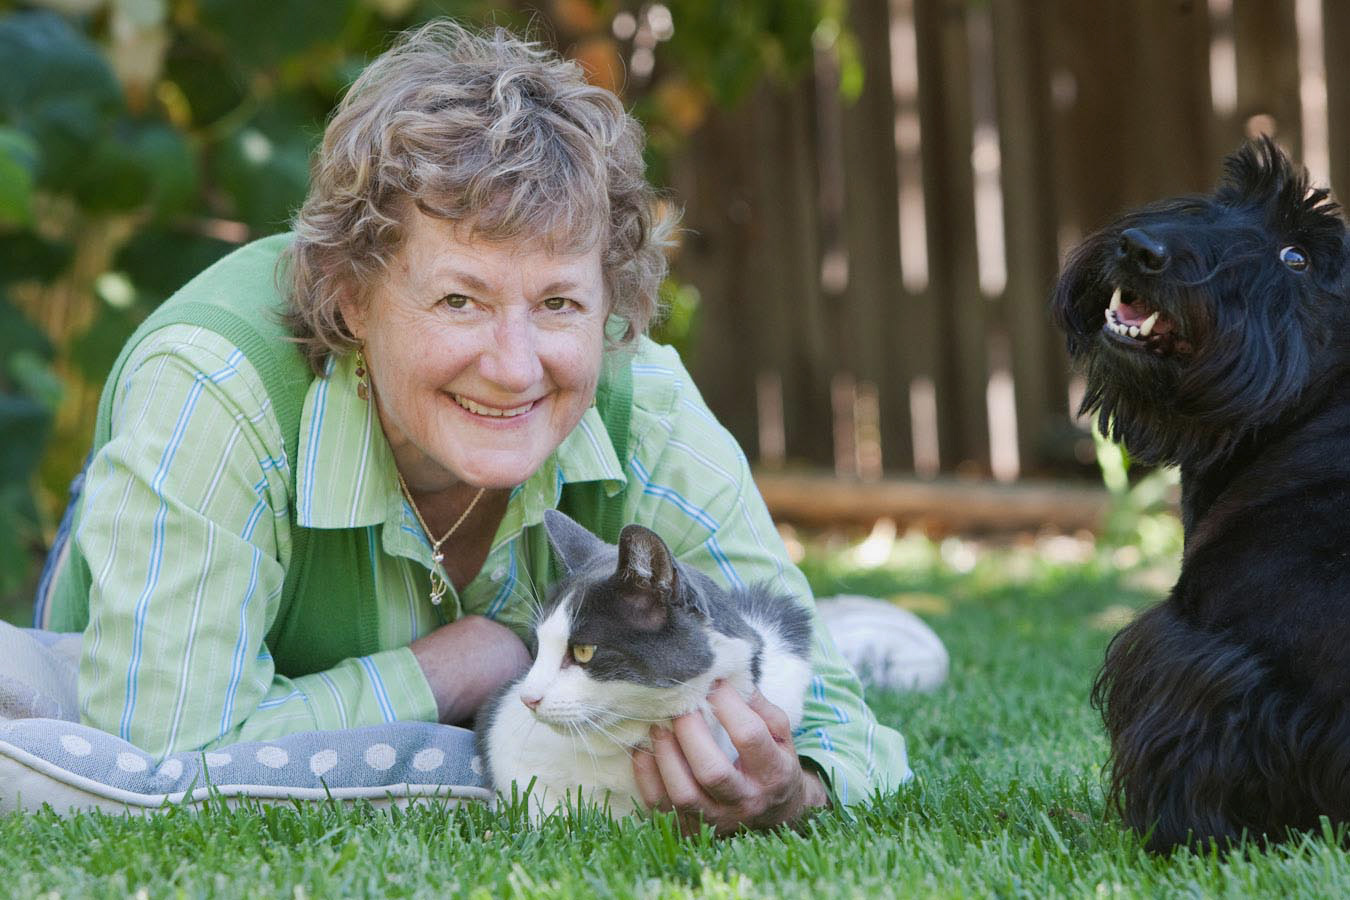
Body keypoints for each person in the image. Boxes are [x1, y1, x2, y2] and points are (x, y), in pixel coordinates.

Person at [39, 20, 909, 832]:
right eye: (461, 299)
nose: (515, 366)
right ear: (350, 296)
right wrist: (455, 665)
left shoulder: (641, 399)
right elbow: (162, 760)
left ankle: (857, 623)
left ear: (610, 308)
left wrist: (793, 785)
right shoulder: (214, 390)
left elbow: (850, 734)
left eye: (560, 303)